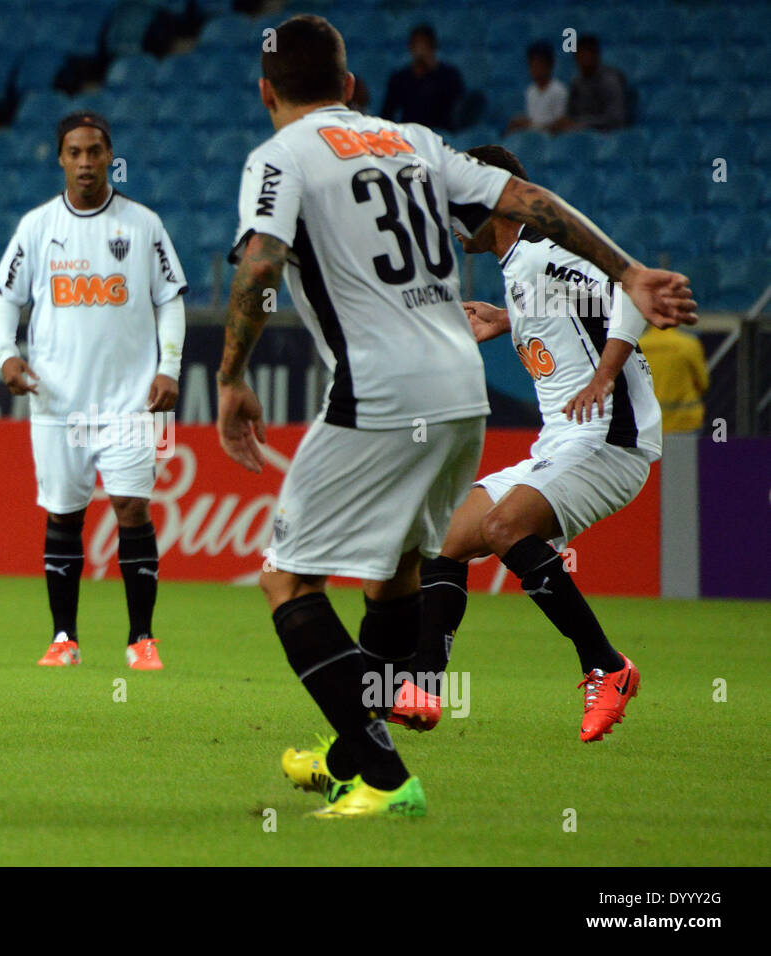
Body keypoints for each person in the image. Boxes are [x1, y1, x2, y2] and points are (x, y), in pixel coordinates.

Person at [215, 15, 694, 818]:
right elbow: (531, 198)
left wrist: (231, 375)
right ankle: (372, 735)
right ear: (353, 88)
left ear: (265, 92)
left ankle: (382, 774)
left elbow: (261, 260)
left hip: (380, 390)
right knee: (399, 576)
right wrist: (631, 268)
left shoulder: (279, 158)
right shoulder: (414, 141)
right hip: (458, 394)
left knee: (286, 578)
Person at [398, 144, 662, 744]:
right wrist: (505, 320)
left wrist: (603, 376)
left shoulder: (548, 251)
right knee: (440, 541)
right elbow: (569, 317)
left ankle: (607, 667)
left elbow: (629, 293)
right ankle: (421, 687)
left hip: (610, 439)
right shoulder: (522, 267)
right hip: (562, 442)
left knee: (501, 528)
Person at [0, 111, 187, 671]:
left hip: (131, 400)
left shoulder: (143, 224)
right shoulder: (38, 226)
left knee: (131, 507)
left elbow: (170, 299)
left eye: (94, 151)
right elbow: (7, 297)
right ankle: (63, 638)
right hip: (56, 400)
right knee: (63, 513)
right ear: (60, 157)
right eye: (74, 152)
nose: (84, 161)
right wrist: (5, 353)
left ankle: (142, 639)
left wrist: (168, 366)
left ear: (109, 156)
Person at [380, 23, 465, 132]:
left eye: (425, 46)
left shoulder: (449, 76)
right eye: (416, 45)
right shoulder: (400, 78)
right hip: (410, 137)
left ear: (433, 47)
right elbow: (387, 113)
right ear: (410, 48)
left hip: (441, 136)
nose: (420, 51)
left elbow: (459, 112)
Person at [638, 326, 708, 433]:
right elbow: (703, 384)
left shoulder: (637, 346)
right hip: (685, 422)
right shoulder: (688, 344)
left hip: (646, 424)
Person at [554, 35, 629, 132]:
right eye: (580, 54)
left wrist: (582, 123)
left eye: (588, 53)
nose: (584, 58)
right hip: (582, 132)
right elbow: (571, 114)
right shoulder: (576, 81)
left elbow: (616, 119)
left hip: (608, 135)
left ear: (596, 54)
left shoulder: (610, 80)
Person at [506, 41, 567, 133]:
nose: (536, 69)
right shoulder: (530, 91)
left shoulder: (559, 90)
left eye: (540, 65)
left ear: (549, 66)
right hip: (535, 136)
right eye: (533, 65)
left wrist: (533, 126)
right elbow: (534, 119)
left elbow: (560, 124)